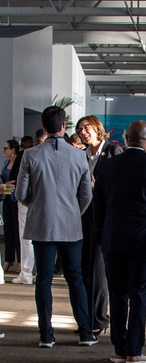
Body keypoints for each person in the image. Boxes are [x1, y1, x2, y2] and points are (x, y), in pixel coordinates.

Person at [92, 120, 146, 363]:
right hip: (144, 242)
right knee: (139, 295)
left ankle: (119, 349)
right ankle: (134, 351)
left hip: (113, 240)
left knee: (117, 294)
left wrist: (101, 236)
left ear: (125, 137)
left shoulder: (106, 168)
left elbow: (98, 207)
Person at [14, 106, 95, 347]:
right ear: (64, 126)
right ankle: (85, 331)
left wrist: (38, 205)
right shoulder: (79, 156)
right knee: (75, 278)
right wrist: (73, 212)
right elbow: (86, 196)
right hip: (71, 226)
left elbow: (20, 193)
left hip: (42, 225)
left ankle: (46, 335)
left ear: (44, 125)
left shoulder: (30, 155)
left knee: (44, 279)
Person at [77, 115, 124, 336]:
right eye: (79, 129)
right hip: (83, 217)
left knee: (98, 271)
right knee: (85, 268)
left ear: (97, 128)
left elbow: (121, 184)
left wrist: (98, 185)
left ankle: (99, 319)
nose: (83, 132)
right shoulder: (80, 155)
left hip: (105, 218)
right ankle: (87, 318)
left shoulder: (113, 152)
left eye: (86, 127)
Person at [6, 137, 34, 285]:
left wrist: (20, 196)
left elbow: (17, 178)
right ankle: (30, 271)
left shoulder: (25, 155)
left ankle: (26, 272)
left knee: (25, 237)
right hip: (42, 201)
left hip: (26, 200)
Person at [1, 139, 18, 277]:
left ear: (13, 150)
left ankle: (20, 260)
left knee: (17, 230)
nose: (4, 151)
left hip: (16, 199)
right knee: (8, 230)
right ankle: (9, 259)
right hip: (6, 198)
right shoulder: (6, 163)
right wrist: (5, 189)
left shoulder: (18, 162)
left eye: (6, 148)